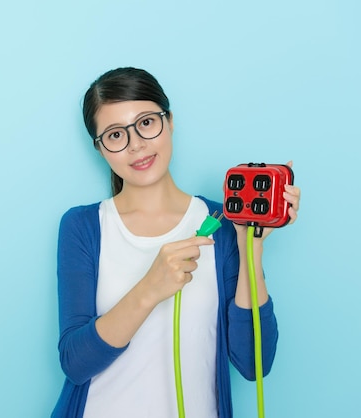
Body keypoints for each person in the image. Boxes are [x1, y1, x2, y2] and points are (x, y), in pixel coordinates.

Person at [51, 67, 301, 418]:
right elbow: (75, 363)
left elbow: (253, 364)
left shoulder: (221, 223)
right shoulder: (83, 226)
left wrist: (251, 246)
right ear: (100, 148)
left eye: (147, 123)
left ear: (169, 120)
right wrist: (150, 288)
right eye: (115, 135)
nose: (135, 144)